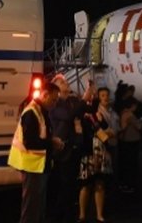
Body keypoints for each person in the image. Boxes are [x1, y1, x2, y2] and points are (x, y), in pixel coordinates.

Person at [8, 79, 64, 223]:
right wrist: (52, 143)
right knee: (31, 209)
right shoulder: (31, 112)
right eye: (53, 99)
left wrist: (51, 141)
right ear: (44, 95)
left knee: (37, 207)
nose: (55, 103)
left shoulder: (40, 111)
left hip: (39, 166)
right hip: (32, 167)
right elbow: (30, 142)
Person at [77, 86, 119, 223]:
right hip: (88, 152)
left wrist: (101, 127)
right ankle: (82, 215)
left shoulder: (98, 116)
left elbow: (111, 131)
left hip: (101, 152)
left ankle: (99, 215)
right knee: (86, 184)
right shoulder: (82, 115)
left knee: (100, 184)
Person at [48, 74, 85, 223]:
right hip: (61, 151)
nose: (66, 83)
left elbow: (81, 114)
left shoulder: (71, 101)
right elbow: (70, 116)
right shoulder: (55, 105)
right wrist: (83, 100)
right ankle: (59, 216)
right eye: (62, 82)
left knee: (71, 186)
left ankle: (67, 215)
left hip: (73, 147)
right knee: (64, 186)